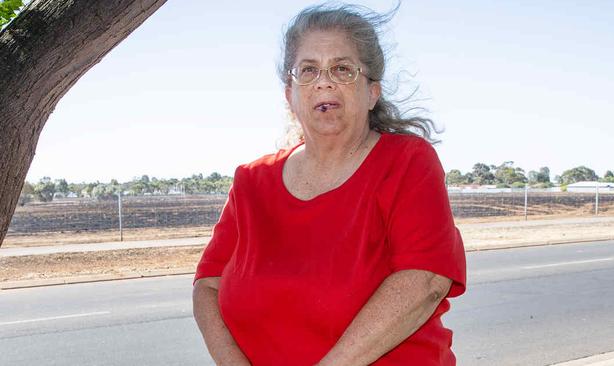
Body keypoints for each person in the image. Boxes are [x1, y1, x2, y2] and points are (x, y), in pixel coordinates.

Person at [192, 3, 466, 365]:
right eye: (308, 70)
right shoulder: (251, 182)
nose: (324, 80)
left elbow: (426, 282)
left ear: (371, 92)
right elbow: (207, 286)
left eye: (342, 68)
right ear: (290, 95)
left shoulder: (406, 163)